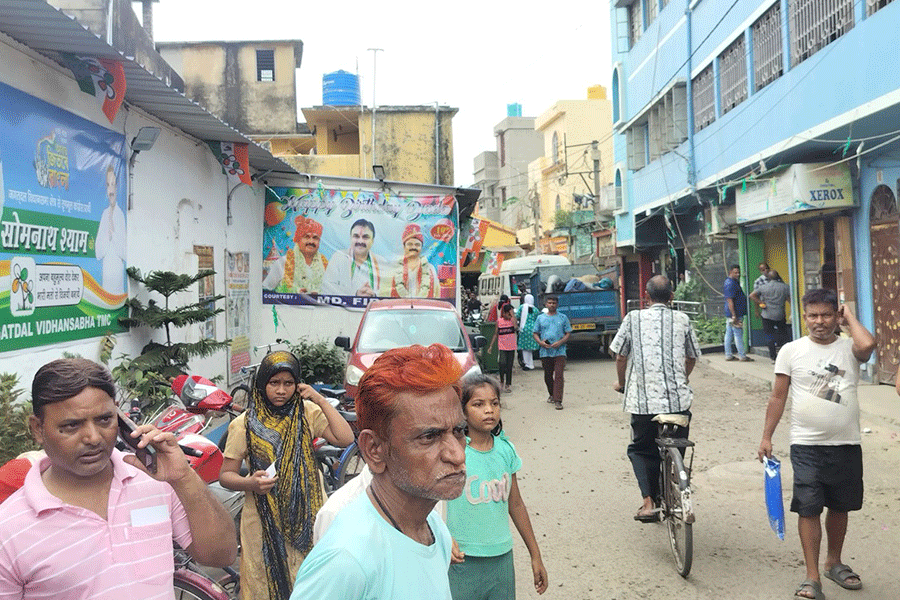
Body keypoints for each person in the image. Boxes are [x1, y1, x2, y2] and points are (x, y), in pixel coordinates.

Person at [0, 358, 237, 598]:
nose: (93, 437)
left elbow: (221, 555)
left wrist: (184, 478)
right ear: (38, 429)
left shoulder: (156, 482)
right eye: (71, 426)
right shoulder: (8, 529)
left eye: (105, 419)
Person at [290, 344, 467, 600]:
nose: (457, 455)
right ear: (374, 450)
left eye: (459, 432)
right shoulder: (346, 558)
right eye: (429, 436)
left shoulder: (433, 528)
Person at [757, 289, 875, 600]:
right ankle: (812, 577)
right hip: (806, 445)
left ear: (836, 317)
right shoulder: (791, 351)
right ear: (804, 317)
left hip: (846, 443)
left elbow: (869, 345)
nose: (819, 322)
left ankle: (833, 563)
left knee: (840, 506)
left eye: (826, 315)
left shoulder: (850, 348)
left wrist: (849, 317)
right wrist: (767, 436)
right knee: (808, 508)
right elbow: (777, 396)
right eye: (812, 316)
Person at [219, 351, 354, 600]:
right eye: (274, 383)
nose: (281, 390)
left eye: (288, 383)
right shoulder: (244, 424)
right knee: (264, 583)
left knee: (309, 580)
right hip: (261, 521)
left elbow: (346, 438)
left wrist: (320, 399)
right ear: (262, 384)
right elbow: (226, 475)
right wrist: (250, 482)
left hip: (307, 514)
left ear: (297, 385)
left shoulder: (307, 413)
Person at [446, 374, 548, 599]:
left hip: (501, 558)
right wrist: (445, 536)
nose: (489, 410)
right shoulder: (454, 453)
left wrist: (535, 554)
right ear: (462, 411)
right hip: (462, 559)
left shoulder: (506, 451)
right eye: (478, 404)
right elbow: (433, 502)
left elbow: (516, 504)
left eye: (494, 403)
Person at [610, 276, 701, 522]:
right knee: (678, 443)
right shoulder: (683, 319)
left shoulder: (633, 318)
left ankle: (649, 503)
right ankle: (678, 480)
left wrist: (622, 383)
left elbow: (620, 356)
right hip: (678, 402)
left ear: (646, 297)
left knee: (641, 449)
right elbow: (692, 357)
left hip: (644, 404)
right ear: (671, 297)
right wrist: (683, 379)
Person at [263, 215, 329, 294]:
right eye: (306, 237)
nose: (311, 241)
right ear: (298, 239)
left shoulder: (325, 265)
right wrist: (294, 291)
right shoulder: (284, 262)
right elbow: (266, 289)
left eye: (315, 238)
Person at [322, 219, 385, 297]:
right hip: (342, 309)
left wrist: (373, 295)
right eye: (356, 236)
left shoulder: (381, 262)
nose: (360, 241)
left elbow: (387, 292)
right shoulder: (338, 257)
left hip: (371, 307)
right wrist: (355, 294)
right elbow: (326, 288)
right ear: (351, 238)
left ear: (372, 241)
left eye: (365, 237)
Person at [532, 295, 572, 410]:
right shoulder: (540, 318)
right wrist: (540, 343)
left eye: (554, 303)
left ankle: (558, 400)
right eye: (549, 303)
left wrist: (560, 342)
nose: (552, 305)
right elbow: (535, 333)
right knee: (548, 376)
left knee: (559, 375)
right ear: (545, 304)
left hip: (560, 351)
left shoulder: (563, 317)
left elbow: (568, 333)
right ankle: (552, 394)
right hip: (545, 351)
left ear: (557, 304)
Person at [95, 164, 126, 295]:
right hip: (106, 277)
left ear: (117, 187)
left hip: (117, 279)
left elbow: (124, 253)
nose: (111, 190)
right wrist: (107, 237)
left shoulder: (120, 215)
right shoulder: (104, 214)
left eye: (113, 184)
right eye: (108, 185)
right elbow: (98, 253)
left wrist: (114, 233)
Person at [384, 223, 439, 298]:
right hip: (400, 308)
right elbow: (385, 293)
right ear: (404, 246)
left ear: (421, 247)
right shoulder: (394, 268)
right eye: (410, 244)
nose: (413, 247)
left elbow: (437, 294)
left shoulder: (430, 269)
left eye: (417, 245)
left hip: (423, 308)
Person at [749, 269, 792, 362]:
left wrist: (760, 302)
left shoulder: (764, 287)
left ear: (768, 277)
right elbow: (790, 299)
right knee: (783, 334)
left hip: (767, 314)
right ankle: (784, 356)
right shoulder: (785, 287)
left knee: (769, 336)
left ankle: (773, 357)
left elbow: (751, 295)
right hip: (780, 314)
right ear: (778, 276)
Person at [723, 264, 753, 361]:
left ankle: (728, 355)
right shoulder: (730, 284)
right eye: (735, 272)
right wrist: (734, 315)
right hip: (735, 313)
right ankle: (742, 355)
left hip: (732, 313)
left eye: (738, 272)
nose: (738, 274)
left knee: (729, 333)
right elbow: (730, 300)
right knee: (738, 334)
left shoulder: (732, 282)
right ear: (730, 272)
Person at [490, 302, 518, 393]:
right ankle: (502, 381)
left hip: (511, 346)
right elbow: (495, 334)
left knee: (509, 366)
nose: (510, 315)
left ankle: (508, 384)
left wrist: (512, 315)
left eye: (511, 313)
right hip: (502, 346)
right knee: (502, 363)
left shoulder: (512, 320)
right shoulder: (499, 321)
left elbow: (516, 328)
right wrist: (491, 346)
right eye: (508, 313)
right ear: (504, 313)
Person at [516, 293, 539, 371]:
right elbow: (537, 319)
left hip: (524, 329)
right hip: (533, 329)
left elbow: (517, 316)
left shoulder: (522, 307)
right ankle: (531, 363)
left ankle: (528, 364)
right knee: (530, 348)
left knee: (525, 348)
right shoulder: (536, 309)